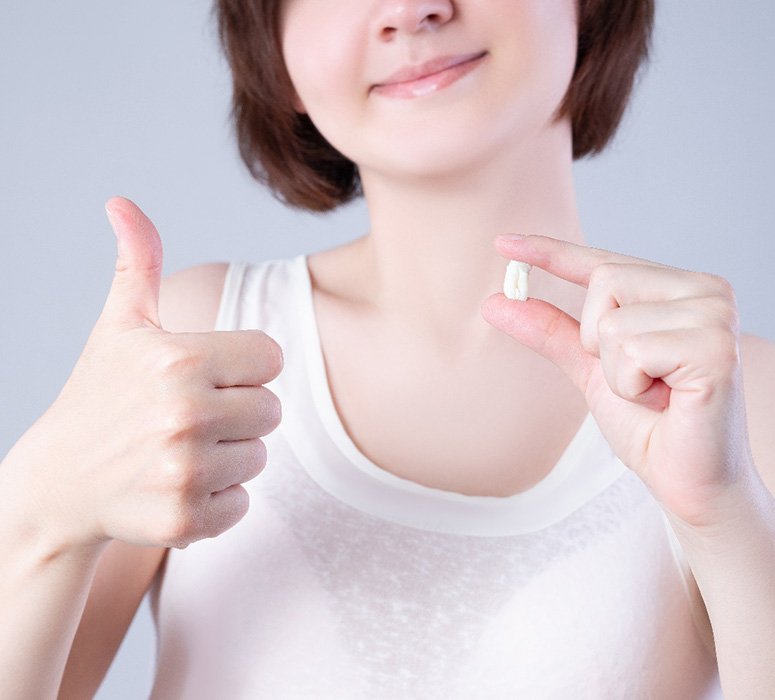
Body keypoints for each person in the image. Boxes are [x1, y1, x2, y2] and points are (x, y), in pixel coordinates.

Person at [1, 0, 773, 697]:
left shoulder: (735, 401)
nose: (409, 11)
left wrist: (723, 516)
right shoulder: (191, 341)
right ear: (275, 51)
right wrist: (41, 510)